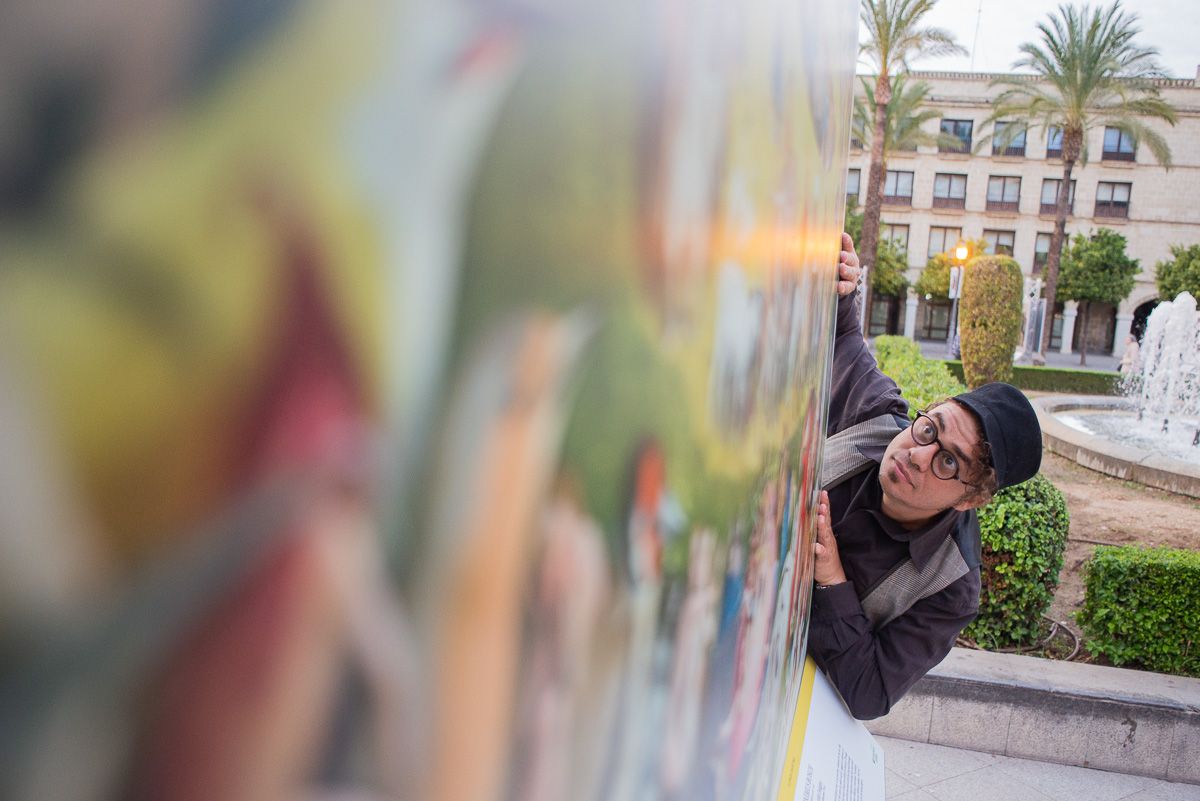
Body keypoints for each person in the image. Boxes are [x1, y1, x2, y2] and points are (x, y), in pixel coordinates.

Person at [809, 233, 1043, 720]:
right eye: (929, 428)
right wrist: (845, 280)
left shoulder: (950, 585)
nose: (917, 454)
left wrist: (832, 580)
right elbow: (846, 338)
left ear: (968, 500)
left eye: (949, 462)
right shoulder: (879, 420)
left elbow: (870, 693)